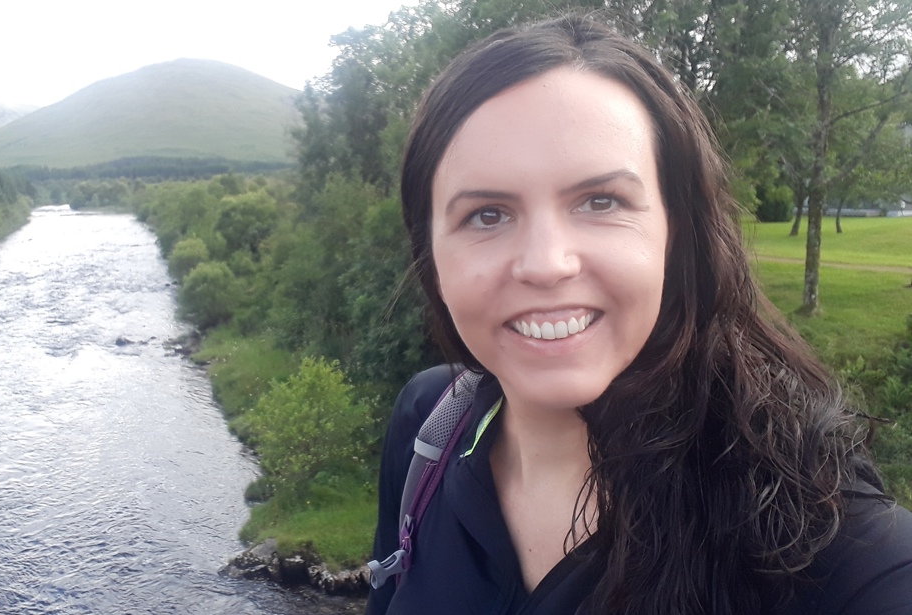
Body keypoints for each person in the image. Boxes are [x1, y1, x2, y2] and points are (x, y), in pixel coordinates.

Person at [367, 14, 912, 615]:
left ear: (676, 232)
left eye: (601, 201)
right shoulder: (428, 431)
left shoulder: (816, 529)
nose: (546, 265)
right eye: (488, 215)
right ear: (431, 252)